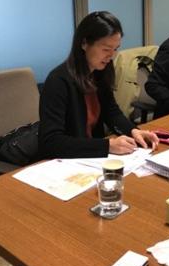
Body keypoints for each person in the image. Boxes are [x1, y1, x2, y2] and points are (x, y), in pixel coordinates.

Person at [39, 11, 159, 159]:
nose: (112, 56)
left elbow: (111, 112)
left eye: (115, 49)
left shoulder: (100, 71)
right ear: (84, 43)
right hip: (66, 160)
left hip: (92, 156)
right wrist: (107, 146)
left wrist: (134, 131)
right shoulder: (58, 80)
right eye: (106, 49)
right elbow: (51, 142)